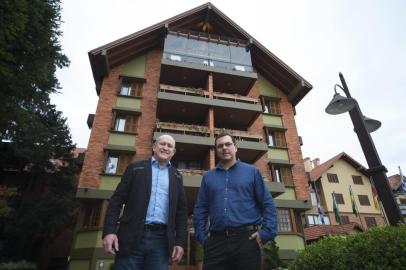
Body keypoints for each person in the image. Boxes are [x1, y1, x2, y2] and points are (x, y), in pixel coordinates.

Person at [193, 133, 277, 270]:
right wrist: (202, 237)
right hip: (215, 243)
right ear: (216, 151)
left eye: (228, 144)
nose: (224, 148)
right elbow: (200, 209)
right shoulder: (208, 177)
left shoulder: (252, 172)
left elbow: (267, 204)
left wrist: (266, 233)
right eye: (220, 146)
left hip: (247, 241)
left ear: (235, 148)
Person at [102, 134, 188, 270]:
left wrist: (180, 242)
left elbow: (181, 213)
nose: (165, 148)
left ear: (173, 151)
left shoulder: (177, 177)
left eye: (169, 146)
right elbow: (116, 201)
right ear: (154, 146)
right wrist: (109, 231)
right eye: (162, 144)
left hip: (162, 242)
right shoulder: (135, 168)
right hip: (131, 237)